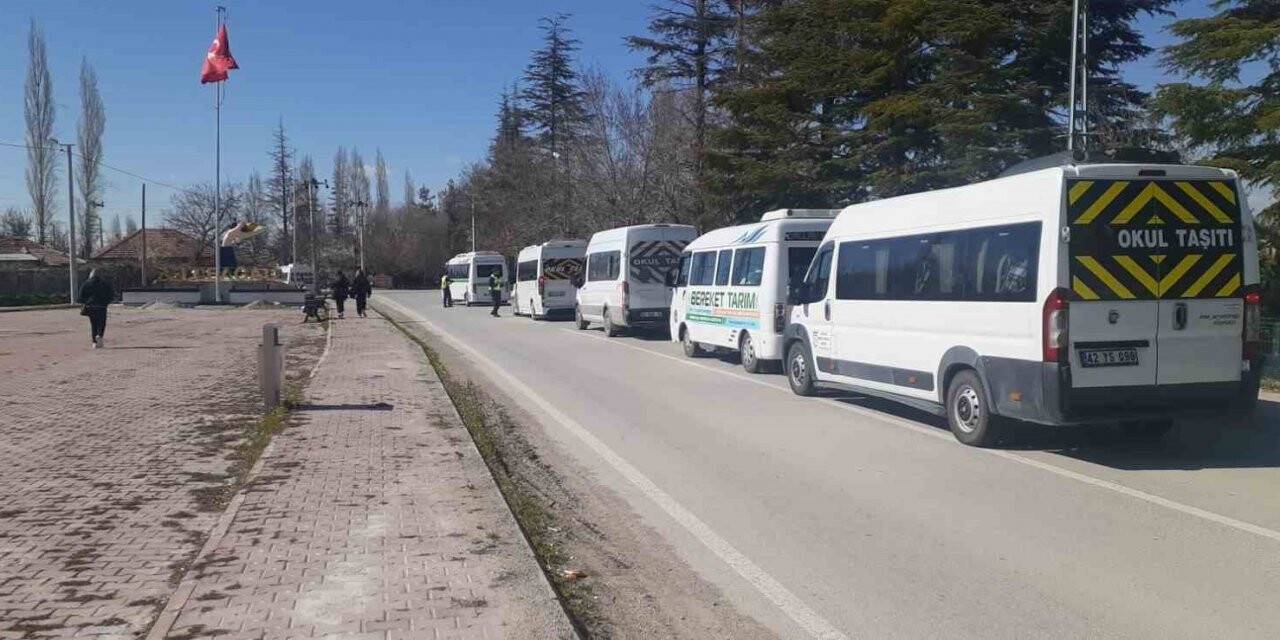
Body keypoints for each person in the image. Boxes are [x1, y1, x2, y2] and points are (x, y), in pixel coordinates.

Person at [79, 269, 115, 349]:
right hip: (102, 307)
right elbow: (111, 295)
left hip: (91, 307)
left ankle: (94, 342)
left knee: (93, 324)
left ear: (91, 275)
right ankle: (100, 336)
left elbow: (81, 296)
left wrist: (86, 302)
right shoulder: (105, 284)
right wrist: (106, 302)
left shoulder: (86, 284)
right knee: (101, 323)